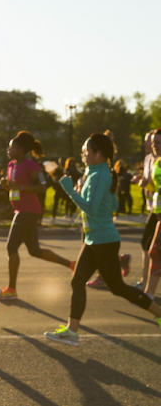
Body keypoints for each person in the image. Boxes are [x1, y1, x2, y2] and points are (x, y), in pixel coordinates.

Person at [44, 133, 161, 346]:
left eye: (86, 151)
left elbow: (90, 207)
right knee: (78, 281)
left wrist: (71, 191)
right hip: (93, 239)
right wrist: (86, 190)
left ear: (98, 154)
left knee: (118, 288)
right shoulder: (95, 173)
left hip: (104, 241)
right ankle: (72, 331)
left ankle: (159, 313)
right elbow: (113, 206)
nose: (83, 155)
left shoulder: (101, 175)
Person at [0, 131, 75, 300]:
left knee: (11, 248)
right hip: (20, 209)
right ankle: (71, 264)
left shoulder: (31, 166)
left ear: (21, 149)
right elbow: (15, 187)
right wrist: (7, 185)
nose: (8, 150)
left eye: (11, 147)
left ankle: (11, 289)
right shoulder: (11, 165)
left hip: (29, 210)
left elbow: (42, 187)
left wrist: (18, 187)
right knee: (35, 251)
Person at [133, 131, 157, 290]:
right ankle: (146, 283)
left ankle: (147, 286)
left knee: (150, 246)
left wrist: (147, 185)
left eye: (150, 141)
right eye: (149, 142)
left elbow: (155, 185)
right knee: (149, 246)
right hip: (154, 208)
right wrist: (142, 181)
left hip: (157, 210)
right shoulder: (149, 159)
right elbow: (151, 183)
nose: (148, 145)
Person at [142, 128, 161, 301]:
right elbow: (155, 187)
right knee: (154, 251)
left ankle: (148, 294)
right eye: (154, 142)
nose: (155, 146)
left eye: (158, 143)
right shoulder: (156, 163)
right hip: (157, 215)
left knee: (154, 251)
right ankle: (148, 293)